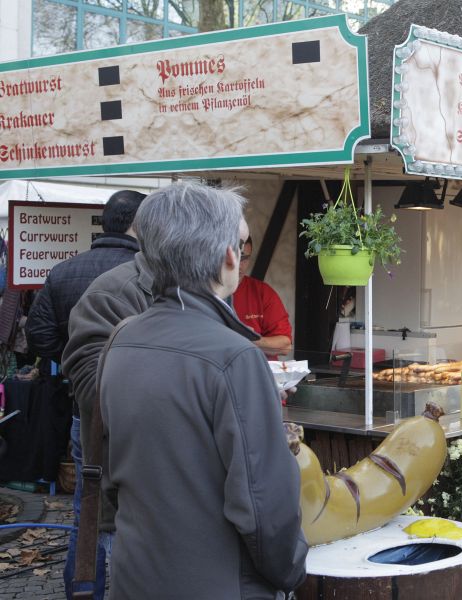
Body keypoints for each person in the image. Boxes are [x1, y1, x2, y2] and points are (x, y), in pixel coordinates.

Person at [96, 183, 307, 597]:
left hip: (135, 574)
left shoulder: (121, 339)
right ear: (228, 257)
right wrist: (291, 572)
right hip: (221, 583)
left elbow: (110, 473)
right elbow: (265, 507)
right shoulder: (235, 357)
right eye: (241, 245)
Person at [24, 189, 146, 600]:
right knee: (139, 507)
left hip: (84, 410)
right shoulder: (149, 274)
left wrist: (76, 366)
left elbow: (38, 334)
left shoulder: (64, 271)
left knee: (88, 504)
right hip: (140, 412)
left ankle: (84, 590)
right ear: (140, 225)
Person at [232, 235, 293, 359]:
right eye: (234, 256)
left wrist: (250, 339)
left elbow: (285, 345)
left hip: (257, 369)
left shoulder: (262, 292)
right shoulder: (204, 291)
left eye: (244, 258)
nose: (239, 265)